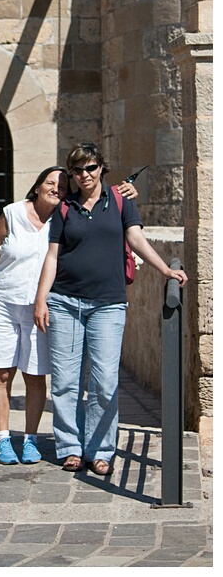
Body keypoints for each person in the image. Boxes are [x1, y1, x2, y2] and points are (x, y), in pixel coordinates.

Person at [33, 142, 187, 476]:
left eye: (90, 168)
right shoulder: (65, 207)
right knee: (65, 382)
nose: (84, 175)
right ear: (71, 173)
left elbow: (136, 240)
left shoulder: (120, 201)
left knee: (104, 381)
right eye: (77, 170)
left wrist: (165, 271)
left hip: (108, 304)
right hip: (64, 302)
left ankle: (100, 449)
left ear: (102, 167)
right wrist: (41, 299)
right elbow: (52, 256)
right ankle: (71, 448)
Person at [0, 165, 138, 465]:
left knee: (36, 376)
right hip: (3, 305)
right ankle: (3, 439)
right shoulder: (12, 214)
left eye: (61, 186)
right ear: (37, 186)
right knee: (2, 373)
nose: (55, 189)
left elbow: (103, 209)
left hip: (42, 309)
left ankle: (31, 440)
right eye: (49, 183)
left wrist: (124, 192)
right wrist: (1, 286)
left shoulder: (67, 215)